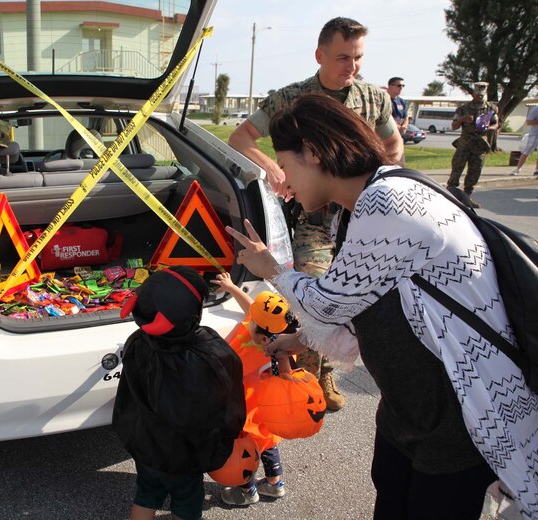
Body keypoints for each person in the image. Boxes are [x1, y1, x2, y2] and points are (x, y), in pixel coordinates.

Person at [226, 93, 538, 519]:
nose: (281, 178)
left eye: (284, 161)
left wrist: (273, 270)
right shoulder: (356, 209)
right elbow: (371, 305)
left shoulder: (388, 200)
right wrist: (299, 339)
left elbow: (331, 304)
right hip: (406, 410)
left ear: (314, 152)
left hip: (453, 418)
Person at [230, 16, 405, 412]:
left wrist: (381, 189)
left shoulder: (374, 99)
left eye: (358, 57)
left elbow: (393, 147)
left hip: (360, 214)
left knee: (352, 297)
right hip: (313, 219)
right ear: (320, 55)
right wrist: (274, 168)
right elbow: (240, 138)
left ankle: (320, 365)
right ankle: (310, 374)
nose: (352, 66)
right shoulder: (290, 98)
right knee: (314, 286)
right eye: (343, 57)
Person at [112, 266, 246, 520]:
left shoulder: (137, 342)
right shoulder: (208, 353)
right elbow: (225, 404)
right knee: (187, 503)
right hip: (186, 456)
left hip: (148, 447)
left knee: (146, 494)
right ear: (194, 315)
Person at [211, 272, 289, 506]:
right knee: (268, 444)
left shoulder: (263, 353)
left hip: (245, 412)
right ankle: (275, 483)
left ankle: (246, 490)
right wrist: (232, 287)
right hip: (268, 416)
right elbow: (251, 308)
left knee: (244, 451)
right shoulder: (282, 342)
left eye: (253, 320)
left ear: (263, 336)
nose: (249, 319)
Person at [446, 81, 499, 208]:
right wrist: (463, 119)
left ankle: (467, 197)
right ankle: (451, 195)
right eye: (477, 94)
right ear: (473, 94)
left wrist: (491, 127)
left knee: (475, 171)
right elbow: (454, 126)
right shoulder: (463, 108)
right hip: (465, 143)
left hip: (480, 144)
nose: (479, 97)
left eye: (482, 95)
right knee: (457, 168)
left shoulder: (491, 108)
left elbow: (496, 123)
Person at [510, 103, 538, 176]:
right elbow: (528, 122)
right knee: (527, 151)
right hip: (535, 134)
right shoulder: (536, 109)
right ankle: (518, 169)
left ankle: (537, 170)